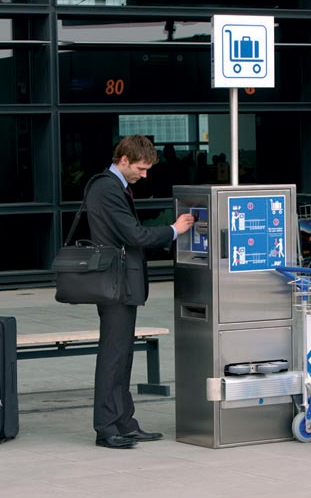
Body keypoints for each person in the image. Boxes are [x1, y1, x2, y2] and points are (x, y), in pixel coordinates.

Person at [85, 134, 195, 449]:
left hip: (119, 283)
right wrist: (174, 230)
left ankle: (124, 422)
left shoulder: (113, 185)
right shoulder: (107, 187)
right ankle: (107, 427)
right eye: (141, 168)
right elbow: (134, 235)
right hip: (115, 284)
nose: (144, 175)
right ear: (124, 160)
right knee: (113, 356)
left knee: (122, 355)